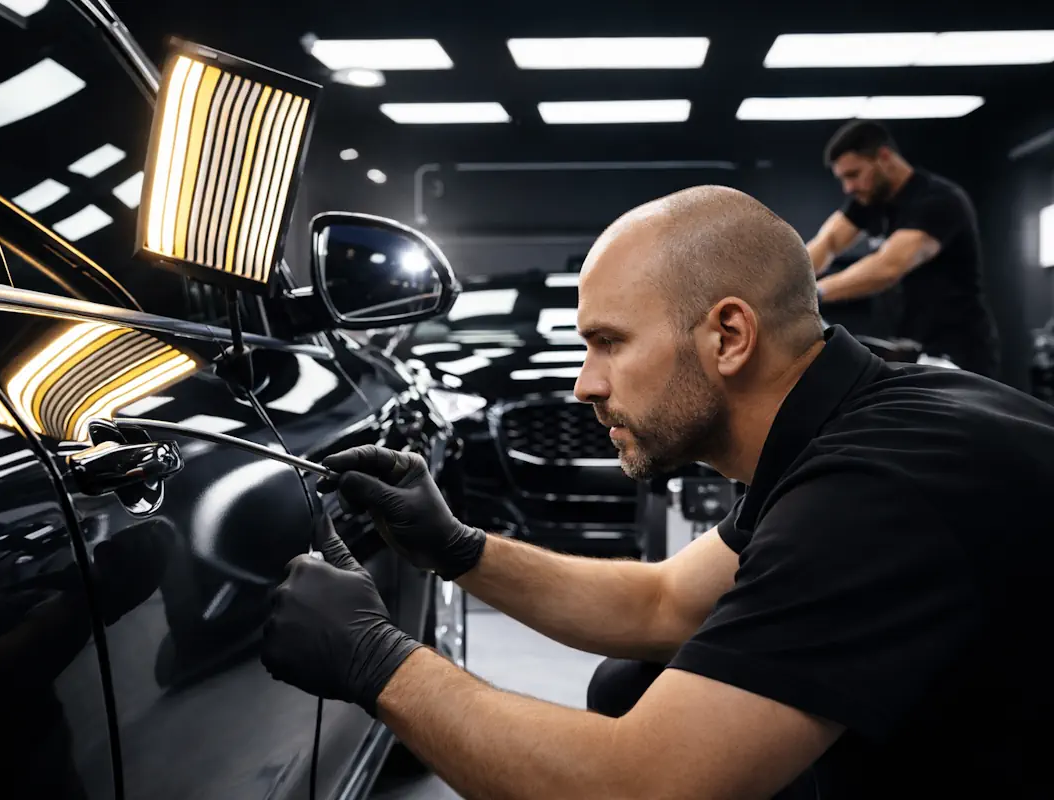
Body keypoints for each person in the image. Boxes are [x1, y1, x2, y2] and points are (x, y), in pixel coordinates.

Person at [260, 185, 1052, 799]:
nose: (583, 384)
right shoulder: (855, 420)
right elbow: (665, 604)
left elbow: (638, 786)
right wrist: (459, 549)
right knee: (629, 681)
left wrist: (376, 660)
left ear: (729, 336)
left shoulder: (874, 490)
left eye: (609, 342)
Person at [807, 120, 1001, 378]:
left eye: (853, 174)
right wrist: (787, 281)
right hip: (912, 345)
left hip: (958, 351)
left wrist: (811, 294)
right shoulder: (870, 201)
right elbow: (828, 240)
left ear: (884, 157)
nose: (848, 187)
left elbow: (888, 267)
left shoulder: (938, 200)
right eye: (843, 178)